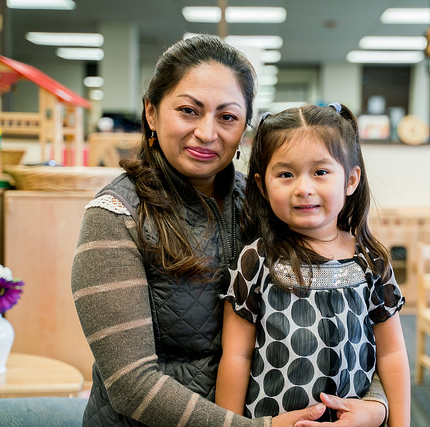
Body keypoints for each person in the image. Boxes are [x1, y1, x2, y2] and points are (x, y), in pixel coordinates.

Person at [71, 35, 388, 426]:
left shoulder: (268, 201)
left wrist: (375, 404)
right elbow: (132, 384)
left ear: (245, 128)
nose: (207, 133)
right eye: (188, 110)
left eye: (227, 117)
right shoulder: (115, 215)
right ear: (151, 114)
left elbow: (355, 318)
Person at [216, 103, 411, 425]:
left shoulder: (370, 259)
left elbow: (392, 353)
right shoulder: (257, 261)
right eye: (285, 174)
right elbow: (237, 356)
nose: (303, 189)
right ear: (262, 186)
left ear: (350, 180)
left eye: (320, 172)